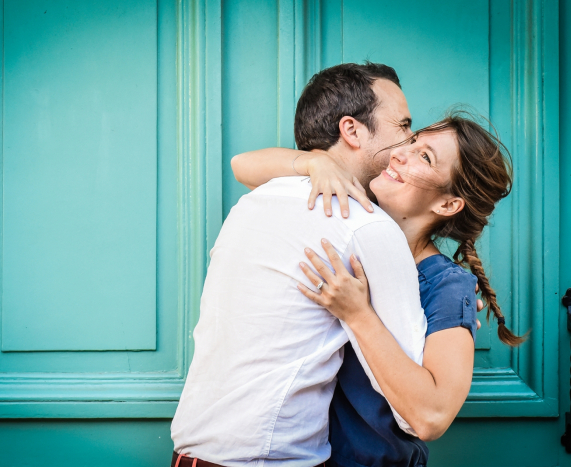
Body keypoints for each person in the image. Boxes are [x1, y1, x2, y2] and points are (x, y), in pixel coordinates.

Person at [171, 63, 431, 467]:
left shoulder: (252, 204)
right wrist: (449, 304)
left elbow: (243, 165)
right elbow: (416, 415)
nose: (409, 141)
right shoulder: (367, 227)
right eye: (402, 126)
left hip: (190, 455)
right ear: (353, 130)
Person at [232, 111, 527, 467]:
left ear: (447, 204)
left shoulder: (448, 286)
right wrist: (315, 164)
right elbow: (244, 167)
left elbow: (432, 417)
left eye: (425, 157)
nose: (401, 153)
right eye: (413, 141)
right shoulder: (348, 223)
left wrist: (358, 314)